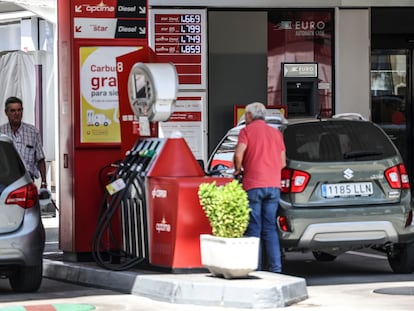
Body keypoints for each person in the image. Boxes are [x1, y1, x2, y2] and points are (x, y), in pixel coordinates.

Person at [233, 102, 286, 273]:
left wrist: (238, 169)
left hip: (254, 185)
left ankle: (255, 268)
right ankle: (275, 269)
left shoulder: (246, 131)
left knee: (254, 228)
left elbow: (239, 153)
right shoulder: (275, 133)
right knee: (270, 228)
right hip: (273, 185)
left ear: (249, 115)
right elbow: (283, 162)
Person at [0, 96, 47, 188]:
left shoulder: (33, 132)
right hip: (4, 182)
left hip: (26, 180)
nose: (16, 113)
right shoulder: (1, 132)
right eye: (13, 111)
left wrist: (44, 182)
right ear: (6, 113)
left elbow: (40, 159)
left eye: (19, 110)